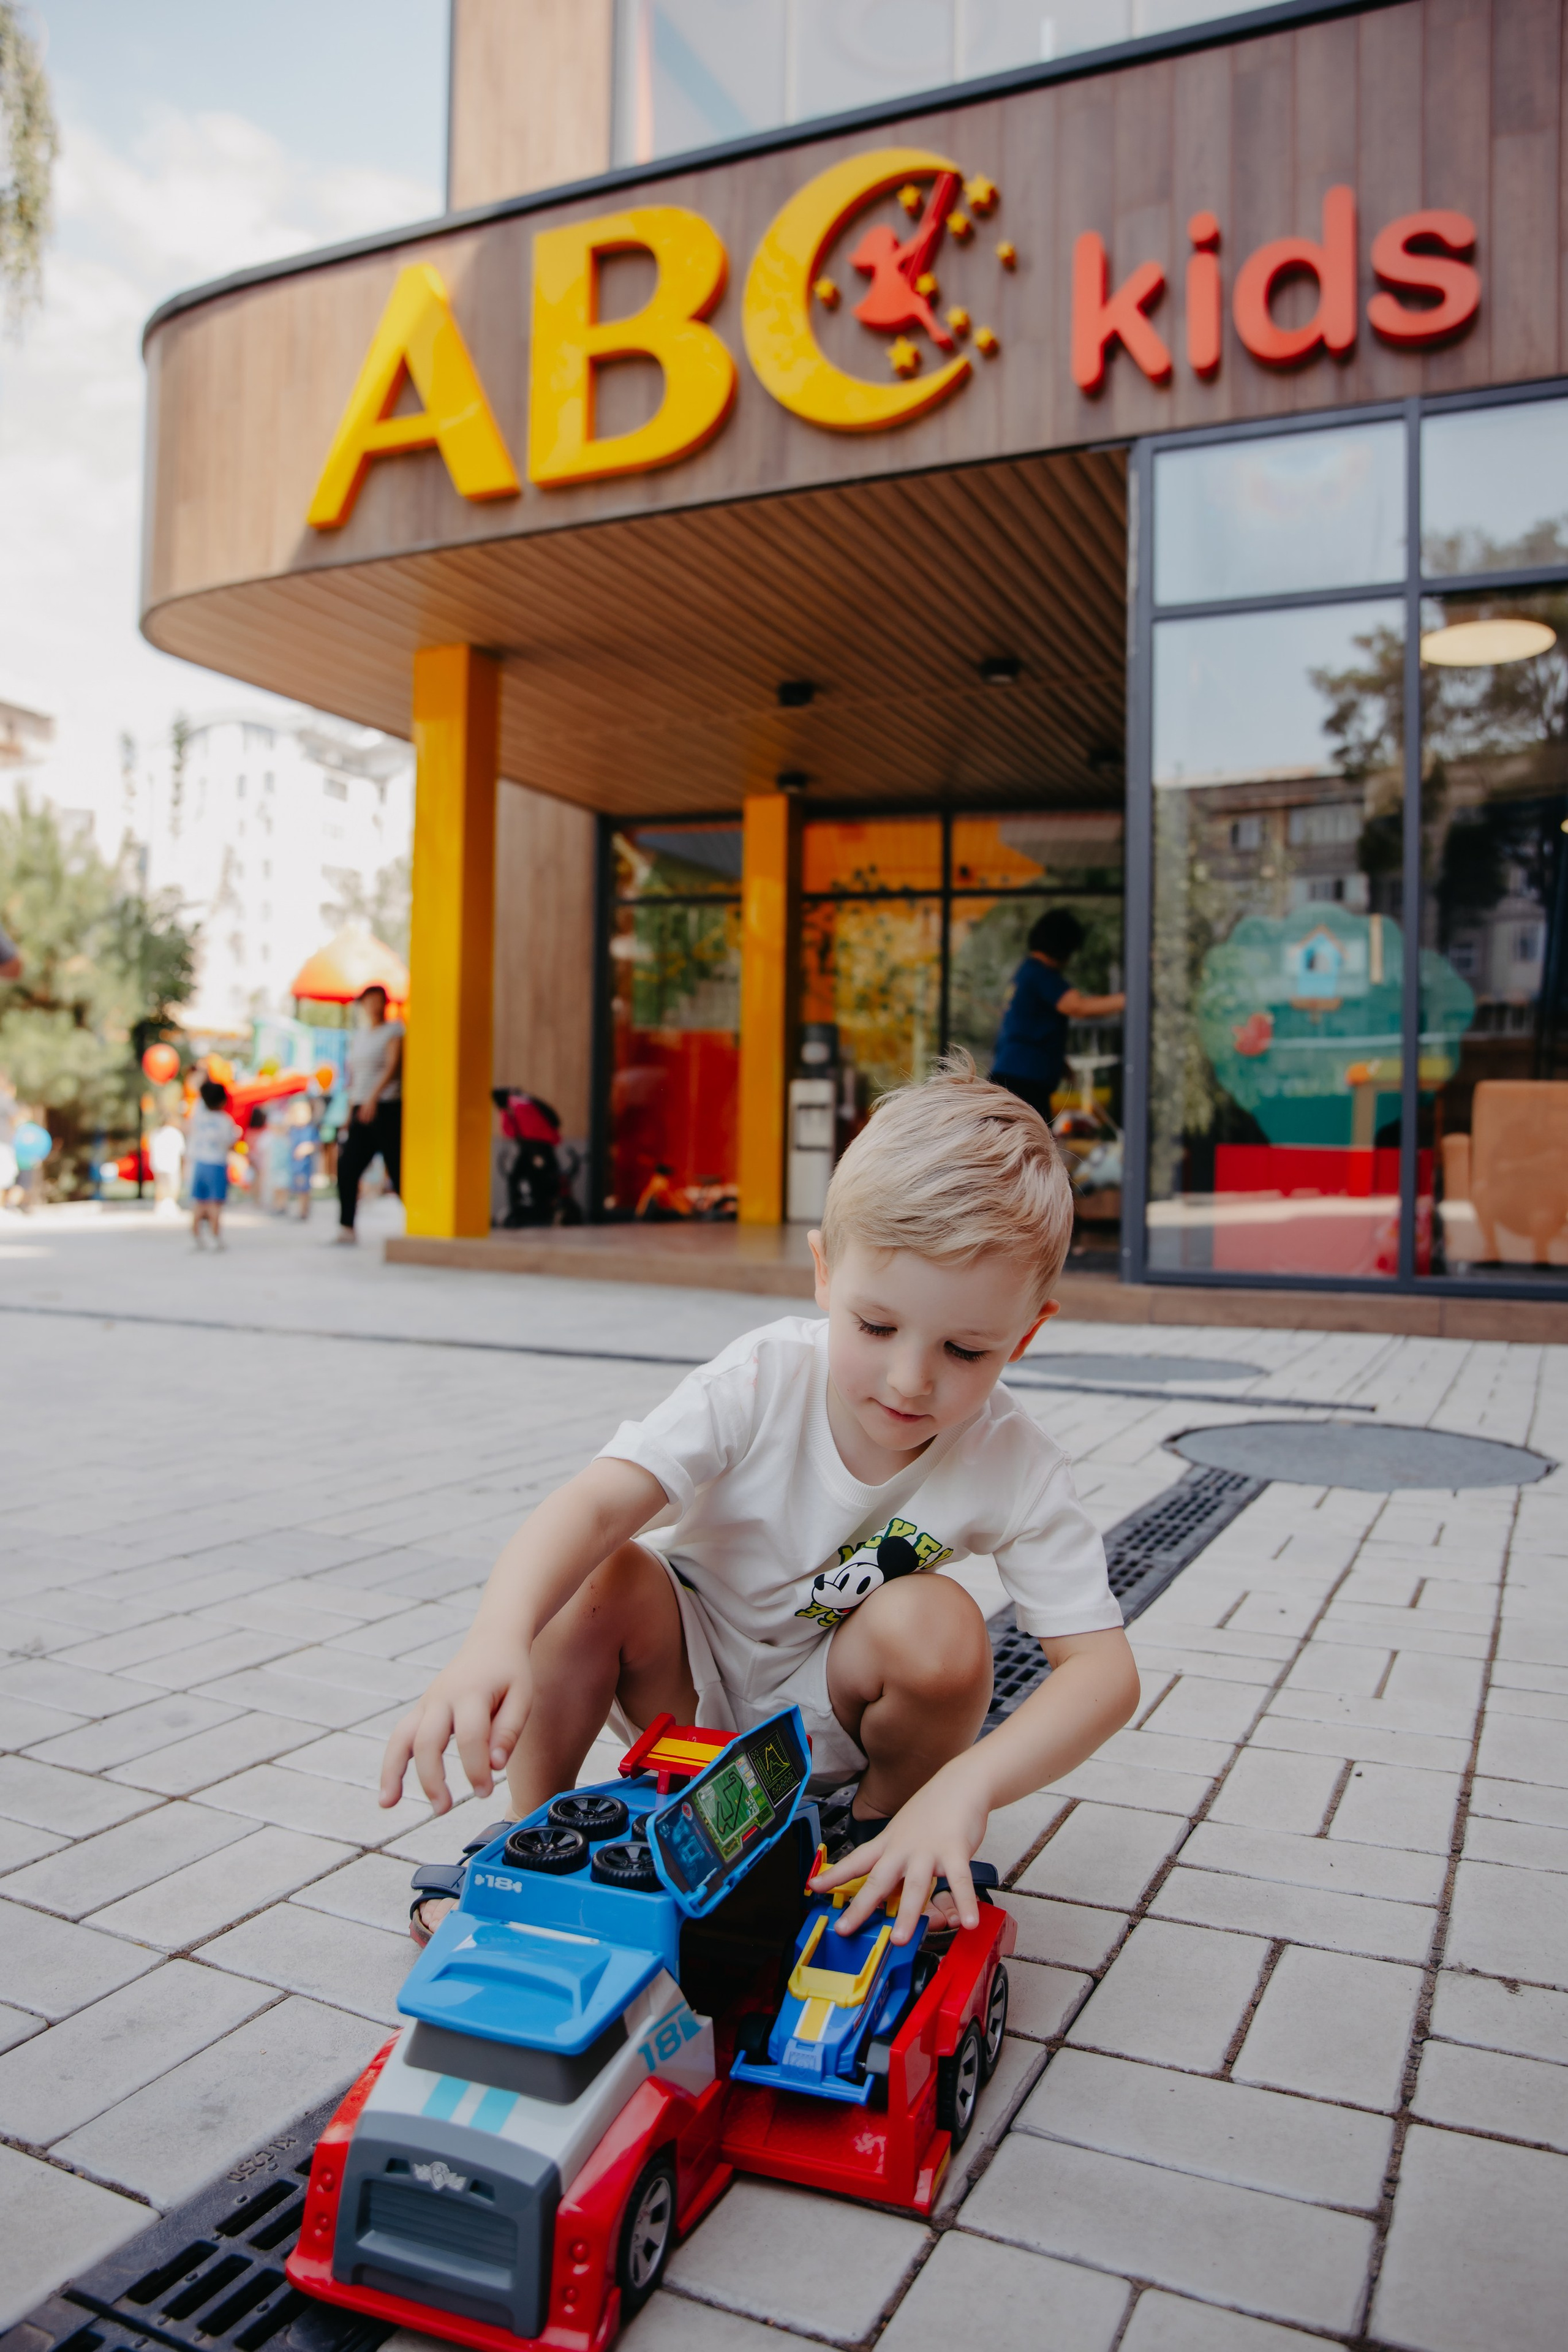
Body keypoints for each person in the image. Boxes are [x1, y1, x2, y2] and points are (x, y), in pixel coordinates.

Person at [383, 1054, 1140, 1953]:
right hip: (683, 1680)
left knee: (942, 1626)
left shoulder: (1015, 1461)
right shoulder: (764, 1375)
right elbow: (590, 1506)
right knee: (601, 1570)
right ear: (825, 1274)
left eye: (968, 1351)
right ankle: (534, 1841)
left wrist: (963, 1790)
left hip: (833, 1716)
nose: (910, 1380)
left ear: (1030, 1331)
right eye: (876, 1326)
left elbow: (1104, 1673)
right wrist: (491, 1641)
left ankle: (879, 1830)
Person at [990, 908, 1126, 1125]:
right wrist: (1129, 999)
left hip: (1016, 1075)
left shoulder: (1026, 972)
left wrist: (1058, 1063)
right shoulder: (1041, 974)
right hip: (1024, 1080)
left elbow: (1030, 1026)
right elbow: (1076, 1006)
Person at [336, 984, 403, 1242]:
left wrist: (374, 1098)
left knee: (398, 1169)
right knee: (347, 1166)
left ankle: (421, 1222)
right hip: (360, 1107)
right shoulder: (361, 1035)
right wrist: (349, 1112)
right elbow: (356, 1077)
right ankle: (347, 1227)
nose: (374, 1005)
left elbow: (392, 1066)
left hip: (386, 1107)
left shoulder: (394, 1030)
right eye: (369, 1001)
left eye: (378, 1000)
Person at [186, 1077, 239, 1249]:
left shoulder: (199, 1118)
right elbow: (230, 1141)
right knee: (215, 1203)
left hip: (199, 1164)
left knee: (199, 1203)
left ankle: (196, 1237)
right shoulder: (225, 1121)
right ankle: (215, 1237)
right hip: (216, 1164)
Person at [148, 1117, 185, 1213]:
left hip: (158, 1164)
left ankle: (160, 1205)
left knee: (160, 1185)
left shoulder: (156, 1133)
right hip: (172, 1164)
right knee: (173, 1185)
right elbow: (182, 1151)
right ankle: (170, 1204)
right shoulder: (175, 1133)